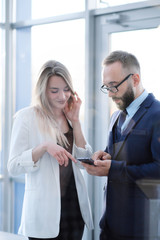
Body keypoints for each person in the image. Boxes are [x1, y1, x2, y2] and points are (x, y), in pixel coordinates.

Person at [8, 60, 93, 240]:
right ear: (43, 90)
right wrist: (44, 147)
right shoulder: (26, 117)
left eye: (66, 89)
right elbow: (13, 166)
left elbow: (84, 162)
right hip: (42, 214)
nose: (62, 96)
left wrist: (76, 122)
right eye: (54, 91)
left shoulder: (71, 116)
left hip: (74, 209)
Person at [82, 50, 160, 240]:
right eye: (106, 87)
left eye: (114, 86)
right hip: (110, 225)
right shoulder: (116, 116)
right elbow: (120, 156)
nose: (109, 94)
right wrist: (105, 156)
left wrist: (113, 169)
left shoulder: (157, 114)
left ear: (135, 79)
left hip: (141, 227)